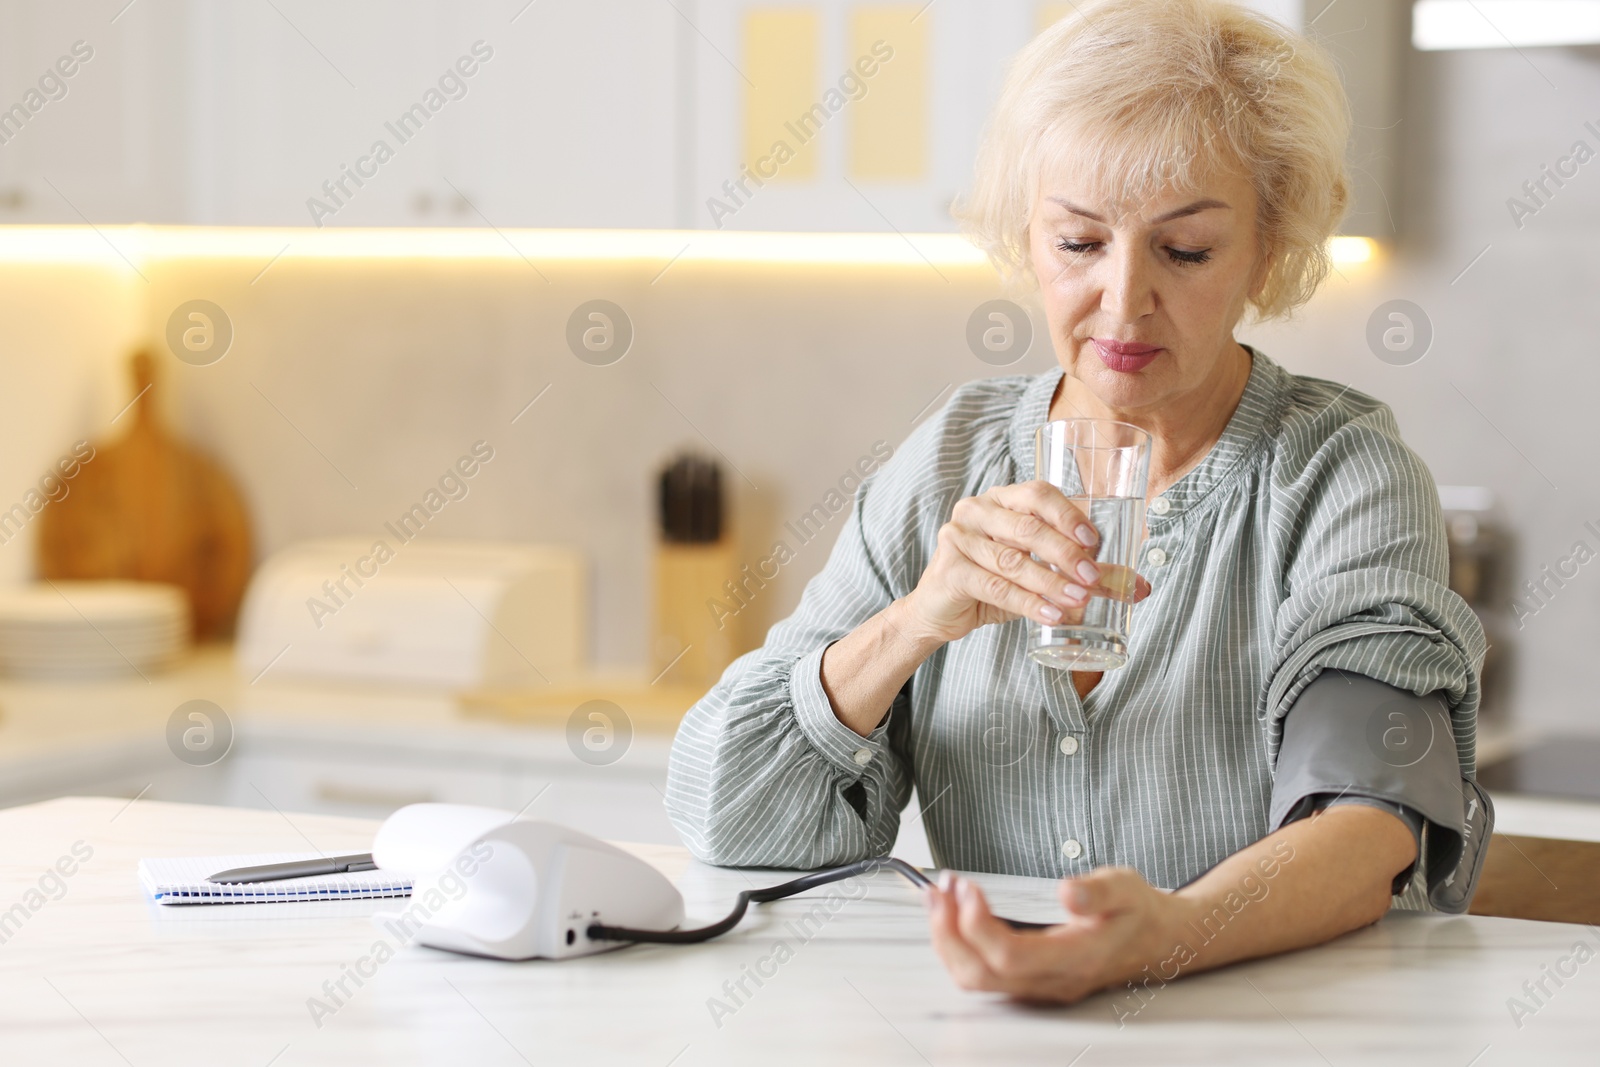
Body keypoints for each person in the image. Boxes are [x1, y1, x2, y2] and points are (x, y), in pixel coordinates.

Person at [666, 0, 1491, 1004]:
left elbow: (1369, 827)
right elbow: (728, 817)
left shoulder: (1338, 472)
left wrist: (1164, 936)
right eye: (1077, 241)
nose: (1122, 298)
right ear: (1028, 232)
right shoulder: (951, 457)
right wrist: (913, 623)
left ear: (1265, 251)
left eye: (1183, 250)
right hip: (1009, 1023)